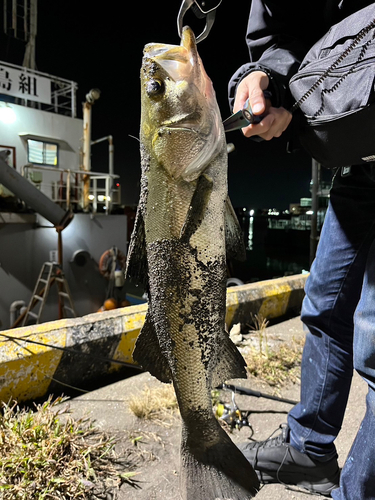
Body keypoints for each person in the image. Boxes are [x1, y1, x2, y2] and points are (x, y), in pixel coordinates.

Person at [228, 2, 375, 499]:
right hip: (362, 164)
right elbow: (277, 40)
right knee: (324, 304)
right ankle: (310, 449)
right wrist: (263, 79)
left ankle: (358, 489)